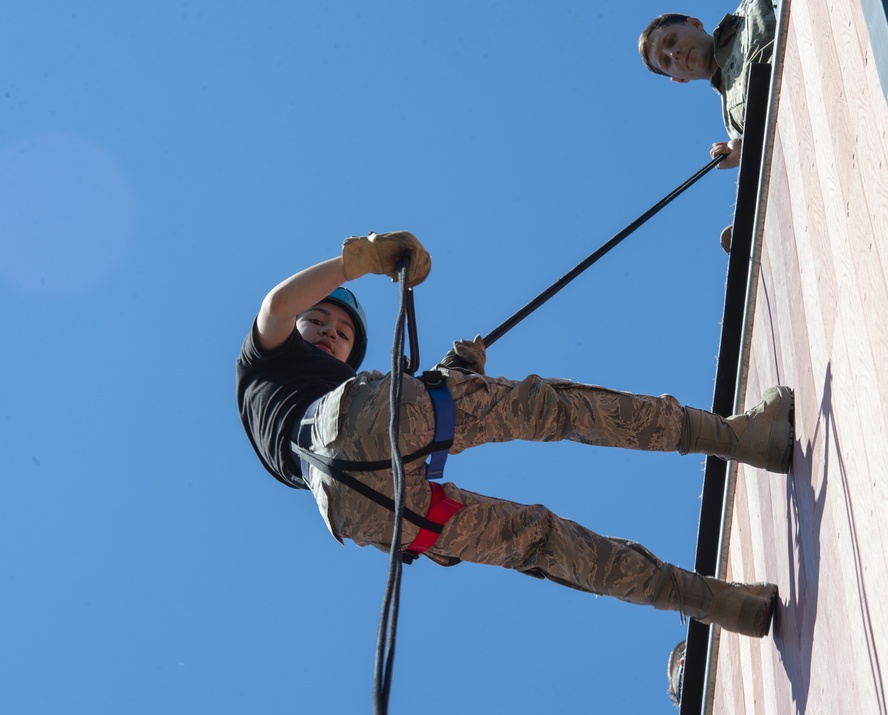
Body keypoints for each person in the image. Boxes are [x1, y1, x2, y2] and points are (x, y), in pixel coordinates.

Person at [235, 231, 794, 638]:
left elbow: (395, 437)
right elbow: (276, 307)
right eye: (320, 323)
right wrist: (360, 261)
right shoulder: (264, 358)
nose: (330, 334)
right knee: (555, 410)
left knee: (541, 543)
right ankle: (741, 438)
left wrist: (455, 377)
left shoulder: (306, 399)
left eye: (342, 332)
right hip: (356, 428)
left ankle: (722, 607)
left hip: (362, 509)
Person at [638, 2, 777, 172]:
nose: (673, 54)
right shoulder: (732, 122)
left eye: (672, 40)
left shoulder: (750, 10)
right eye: (666, 61)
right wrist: (743, 152)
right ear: (679, 79)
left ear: (695, 24)